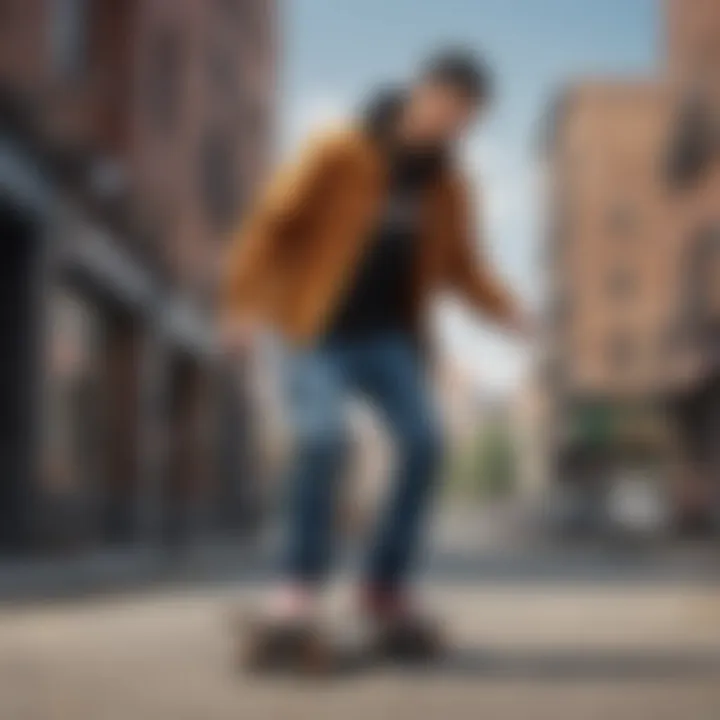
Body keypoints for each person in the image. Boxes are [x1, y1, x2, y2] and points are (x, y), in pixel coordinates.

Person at [222, 48, 532, 671]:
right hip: (314, 327)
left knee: (424, 441)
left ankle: (382, 588)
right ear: (422, 94)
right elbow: (272, 221)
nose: (453, 125)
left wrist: (510, 312)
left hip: (390, 336)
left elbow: (461, 266)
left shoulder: (449, 187)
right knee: (323, 439)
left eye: (467, 119)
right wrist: (243, 301)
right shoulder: (338, 150)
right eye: (447, 108)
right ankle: (296, 590)